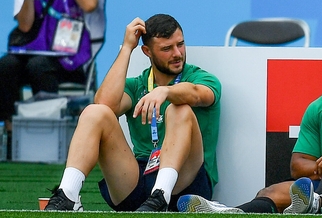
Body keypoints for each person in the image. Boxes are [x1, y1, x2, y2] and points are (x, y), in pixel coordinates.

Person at [177, 27, 322, 214]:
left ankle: (317, 201)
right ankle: (232, 212)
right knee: (270, 193)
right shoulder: (320, 106)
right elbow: (298, 165)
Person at [44, 14, 222, 211]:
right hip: (139, 180)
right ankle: (68, 195)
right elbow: (105, 104)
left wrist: (166, 91)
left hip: (186, 184)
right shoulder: (137, 85)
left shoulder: (201, 78)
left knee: (179, 108)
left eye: (180, 44)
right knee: (95, 112)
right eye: (166, 49)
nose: (177, 53)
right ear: (147, 51)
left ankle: (161, 195)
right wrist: (127, 48)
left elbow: (197, 94)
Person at [0, 0, 106, 135]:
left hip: (70, 61)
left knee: (38, 66)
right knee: (6, 64)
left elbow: (89, 5)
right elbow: (25, 26)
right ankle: (10, 129)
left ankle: (47, 128)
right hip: (34, 55)